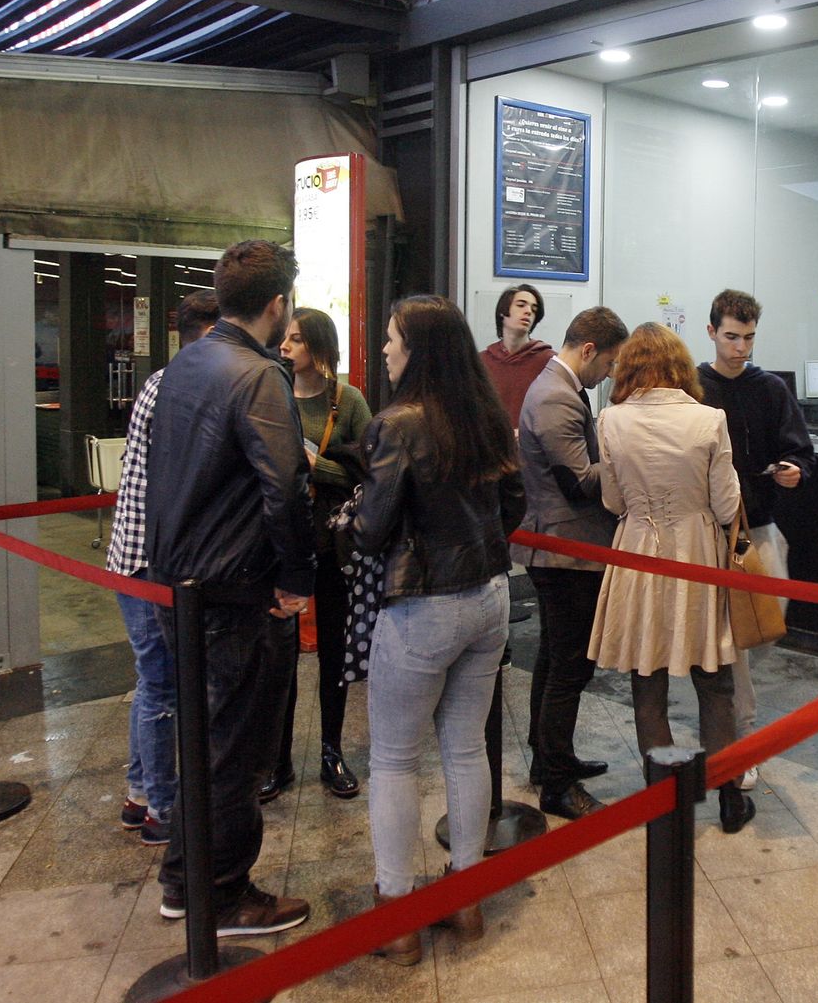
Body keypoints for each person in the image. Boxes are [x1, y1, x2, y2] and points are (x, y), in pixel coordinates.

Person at [145, 239, 314, 936]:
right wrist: (297, 577)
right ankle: (226, 894)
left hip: (176, 585)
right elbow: (285, 486)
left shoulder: (182, 366)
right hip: (233, 589)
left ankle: (186, 881)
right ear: (278, 305)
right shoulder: (257, 375)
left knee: (201, 740)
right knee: (235, 749)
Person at [354, 294, 526, 965]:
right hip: (489, 596)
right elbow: (513, 501)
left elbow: (371, 531)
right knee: (463, 748)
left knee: (395, 756)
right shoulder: (483, 412)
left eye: (394, 339)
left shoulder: (397, 424)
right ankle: (466, 897)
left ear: (418, 348)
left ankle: (397, 914)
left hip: (423, 602)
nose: (388, 350)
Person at [588, 322, 755, 834]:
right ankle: (728, 794)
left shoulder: (610, 420)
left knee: (647, 677)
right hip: (697, 553)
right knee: (715, 679)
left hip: (638, 550)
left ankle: (662, 797)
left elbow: (612, 501)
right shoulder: (709, 419)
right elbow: (727, 505)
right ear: (681, 367)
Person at [106, 289, 219, 847]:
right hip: (151, 562)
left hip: (138, 559)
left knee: (154, 680)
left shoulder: (163, 383)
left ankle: (138, 793)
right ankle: (162, 809)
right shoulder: (182, 385)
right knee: (161, 685)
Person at [514, 307, 629, 820]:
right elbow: (578, 482)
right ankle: (557, 786)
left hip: (562, 547)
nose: (607, 375)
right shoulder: (556, 395)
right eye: (607, 365)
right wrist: (633, 462)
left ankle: (549, 761)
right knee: (569, 669)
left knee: (553, 660)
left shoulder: (558, 389)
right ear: (588, 350)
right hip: (565, 550)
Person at [696, 289, 813, 791]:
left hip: (760, 524)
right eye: (732, 337)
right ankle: (740, 738)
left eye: (748, 338)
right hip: (712, 531)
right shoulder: (693, 388)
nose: (742, 348)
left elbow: (800, 449)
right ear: (711, 333)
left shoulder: (771, 390)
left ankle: (729, 712)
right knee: (736, 641)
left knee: (768, 622)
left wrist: (795, 470)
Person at [263, 307, 373, 803]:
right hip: (282, 538)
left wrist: (315, 465)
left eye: (297, 339)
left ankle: (331, 751)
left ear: (320, 348)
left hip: (332, 540)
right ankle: (277, 759)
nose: (285, 346)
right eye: (285, 337)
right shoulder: (273, 392)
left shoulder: (347, 402)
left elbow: (370, 471)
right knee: (279, 654)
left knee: (334, 648)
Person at [482, 283, 556, 429]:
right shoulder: (482, 362)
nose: (528, 311)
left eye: (534, 309)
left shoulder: (549, 362)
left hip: (532, 447)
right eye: (521, 305)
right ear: (503, 311)